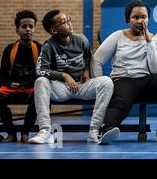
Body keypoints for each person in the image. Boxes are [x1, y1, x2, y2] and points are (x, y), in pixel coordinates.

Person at [93, 0, 157, 143]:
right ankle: (106, 129)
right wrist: (100, 83)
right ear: (128, 19)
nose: (139, 21)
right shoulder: (118, 36)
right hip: (123, 80)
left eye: (143, 17)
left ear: (148, 19)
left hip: (147, 81)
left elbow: (155, 69)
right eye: (135, 17)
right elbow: (97, 59)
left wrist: (149, 42)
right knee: (120, 103)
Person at [29, 10, 114, 144]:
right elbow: (40, 70)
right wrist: (64, 75)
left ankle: (95, 130)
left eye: (68, 19)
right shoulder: (49, 46)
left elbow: (88, 57)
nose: (69, 23)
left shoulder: (81, 40)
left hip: (81, 85)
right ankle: (44, 130)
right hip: (62, 88)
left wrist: (86, 71)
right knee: (40, 81)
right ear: (53, 31)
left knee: (107, 82)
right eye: (64, 22)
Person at [0, 10, 41, 143]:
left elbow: (41, 73)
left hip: (30, 86)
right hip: (12, 86)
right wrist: (10, 83)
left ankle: (25, 133)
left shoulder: (40, 48)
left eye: (31, 27)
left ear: (34, 30)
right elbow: (3, 73)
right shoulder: (9, 49)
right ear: (17, 30)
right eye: (24, 27)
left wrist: (26, 84)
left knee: (39, 96)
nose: (28, 29)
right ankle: (11, 133)